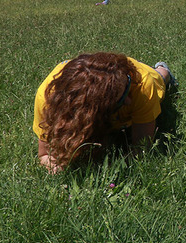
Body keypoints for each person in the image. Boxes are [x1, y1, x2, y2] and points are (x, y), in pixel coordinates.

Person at [33, 52, 178, 174]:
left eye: (126, 90)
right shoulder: (48, 98)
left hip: (140, 74)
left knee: (159, 78)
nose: (128, 101)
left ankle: (163, 70)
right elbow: (45, 154)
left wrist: (111, 169)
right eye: (120, 99)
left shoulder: (141, 86)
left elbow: (141, 147)